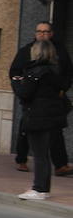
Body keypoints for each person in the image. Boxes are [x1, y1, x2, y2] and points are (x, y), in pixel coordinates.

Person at [11, 21, 73, 176]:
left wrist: (62, 88)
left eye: (46, 32)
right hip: (32, 100)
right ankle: (21, 159)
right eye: (40, 31)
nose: (43, 35)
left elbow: (67, 73)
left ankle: (60, 164)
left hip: (53, 100)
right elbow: (15, 72)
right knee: (26, 129)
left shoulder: (59, 50)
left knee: (55, 131)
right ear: (35, 33)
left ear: (51, 34)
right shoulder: (26, 51)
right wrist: (22, 87)